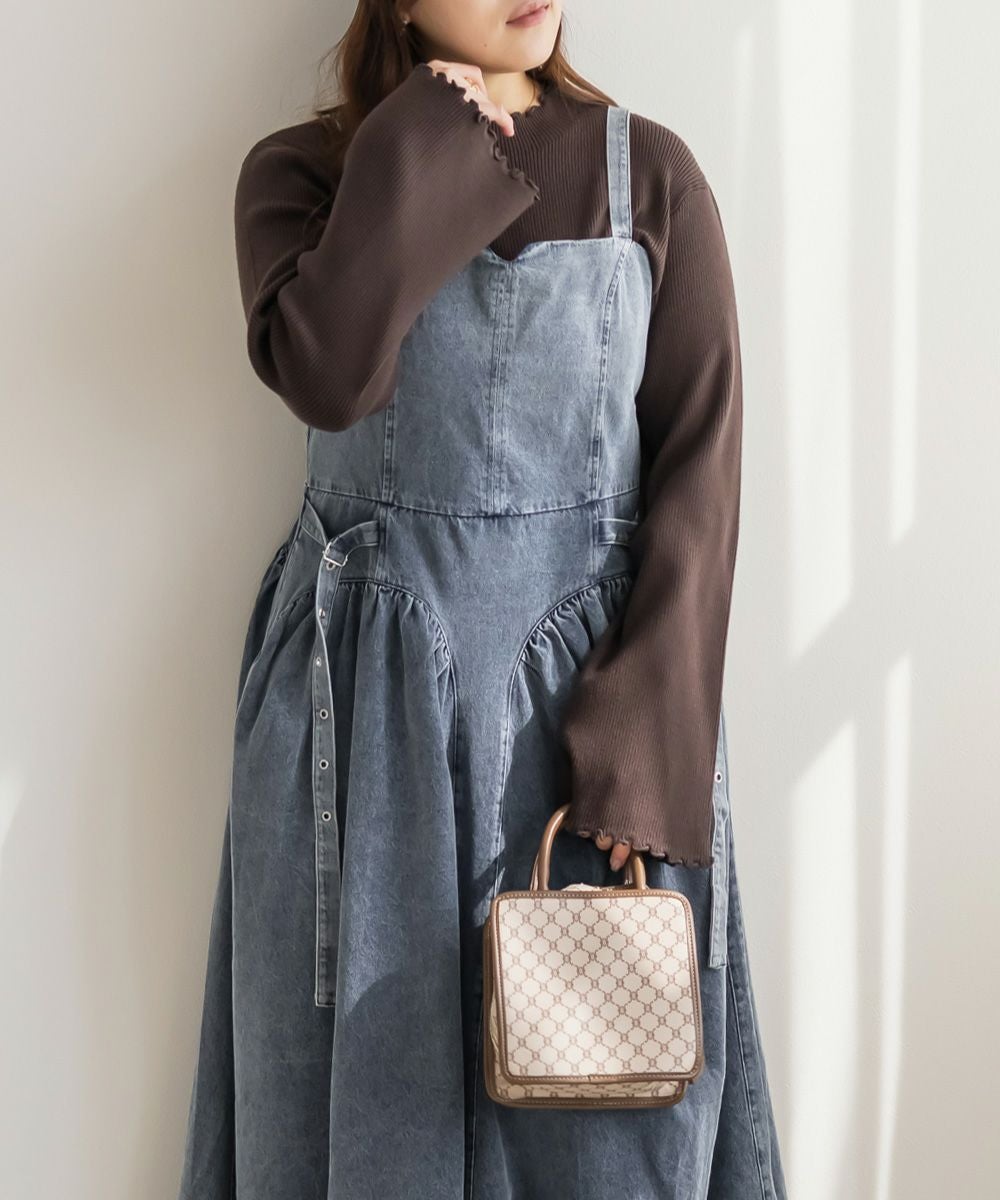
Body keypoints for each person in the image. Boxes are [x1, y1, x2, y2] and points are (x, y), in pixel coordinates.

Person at [177, 3, 787, 1197]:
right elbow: (328, 373)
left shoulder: (649, 175)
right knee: (364, 1104)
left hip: (590, 727)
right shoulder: (300, 176)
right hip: (364, 729)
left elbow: (701, 470)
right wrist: (417, 137)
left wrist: (645, 748)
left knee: (597, 1120)